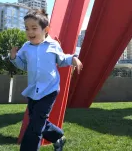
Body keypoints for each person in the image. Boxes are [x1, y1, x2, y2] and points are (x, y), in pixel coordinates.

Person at [10, 9, 83, 151]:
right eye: (27, 28)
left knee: (35, 126)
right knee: (38, 120)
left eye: (34, 28)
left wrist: (73, 58)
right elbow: (23, 65)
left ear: (46, 29)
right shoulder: (26, 47)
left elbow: (62, 60)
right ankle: (57, 137)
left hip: (49, 90)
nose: (29, 32)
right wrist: (14, 57)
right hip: (33, 90)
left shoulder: (53, 45)